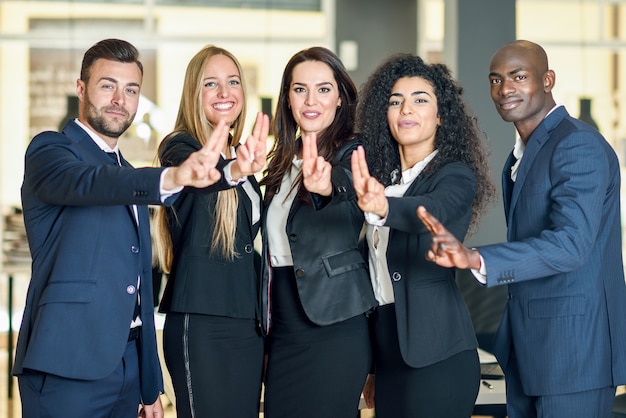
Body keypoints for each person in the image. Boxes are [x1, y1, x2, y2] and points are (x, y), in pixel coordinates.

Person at [13, 38, 230, 418]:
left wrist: (149, 384)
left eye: (131, 90)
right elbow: (90, 182)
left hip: (127, 370)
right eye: (107, 85)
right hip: (66, 367)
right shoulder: (51, 151)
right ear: (81, 88)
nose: (119, 99)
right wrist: (172, 175)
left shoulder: (128, 171)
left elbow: (139, 288)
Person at [417, 39, 626, 418]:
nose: (504, 89)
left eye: (518, 76)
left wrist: (476, 257)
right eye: (495, 80)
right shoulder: (524, 154)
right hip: (530, 348)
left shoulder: (577, 144)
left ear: (547, 80)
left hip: (574, 352)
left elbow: (572, 244)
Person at [350, 53, 495, 417]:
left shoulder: (455, 176)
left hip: (438, 356)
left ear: (441, 115)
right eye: (395, 101)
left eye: (420, 100)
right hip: (390, 358)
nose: (406, 109)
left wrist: (382, 207)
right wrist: (372, 366)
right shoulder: (383, 182)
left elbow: (429, 212)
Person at [259, 46, 377, 418]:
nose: (312, 100)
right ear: (288, 99)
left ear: (340, 98)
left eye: (324, 89)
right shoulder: (279, 163)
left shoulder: (354, 153)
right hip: (282, 326)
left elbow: (345, 185)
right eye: (300, 89)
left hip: (334, 325)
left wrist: (325, 186)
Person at [152, 45, 269, 418]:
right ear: (193, 93)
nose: (225, 92)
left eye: (233, 82)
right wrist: (234, 172)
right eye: (211, 84)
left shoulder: (243, 156)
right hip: (200, 324)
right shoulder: (179, 147)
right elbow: (205, 176)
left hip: (246, 326)